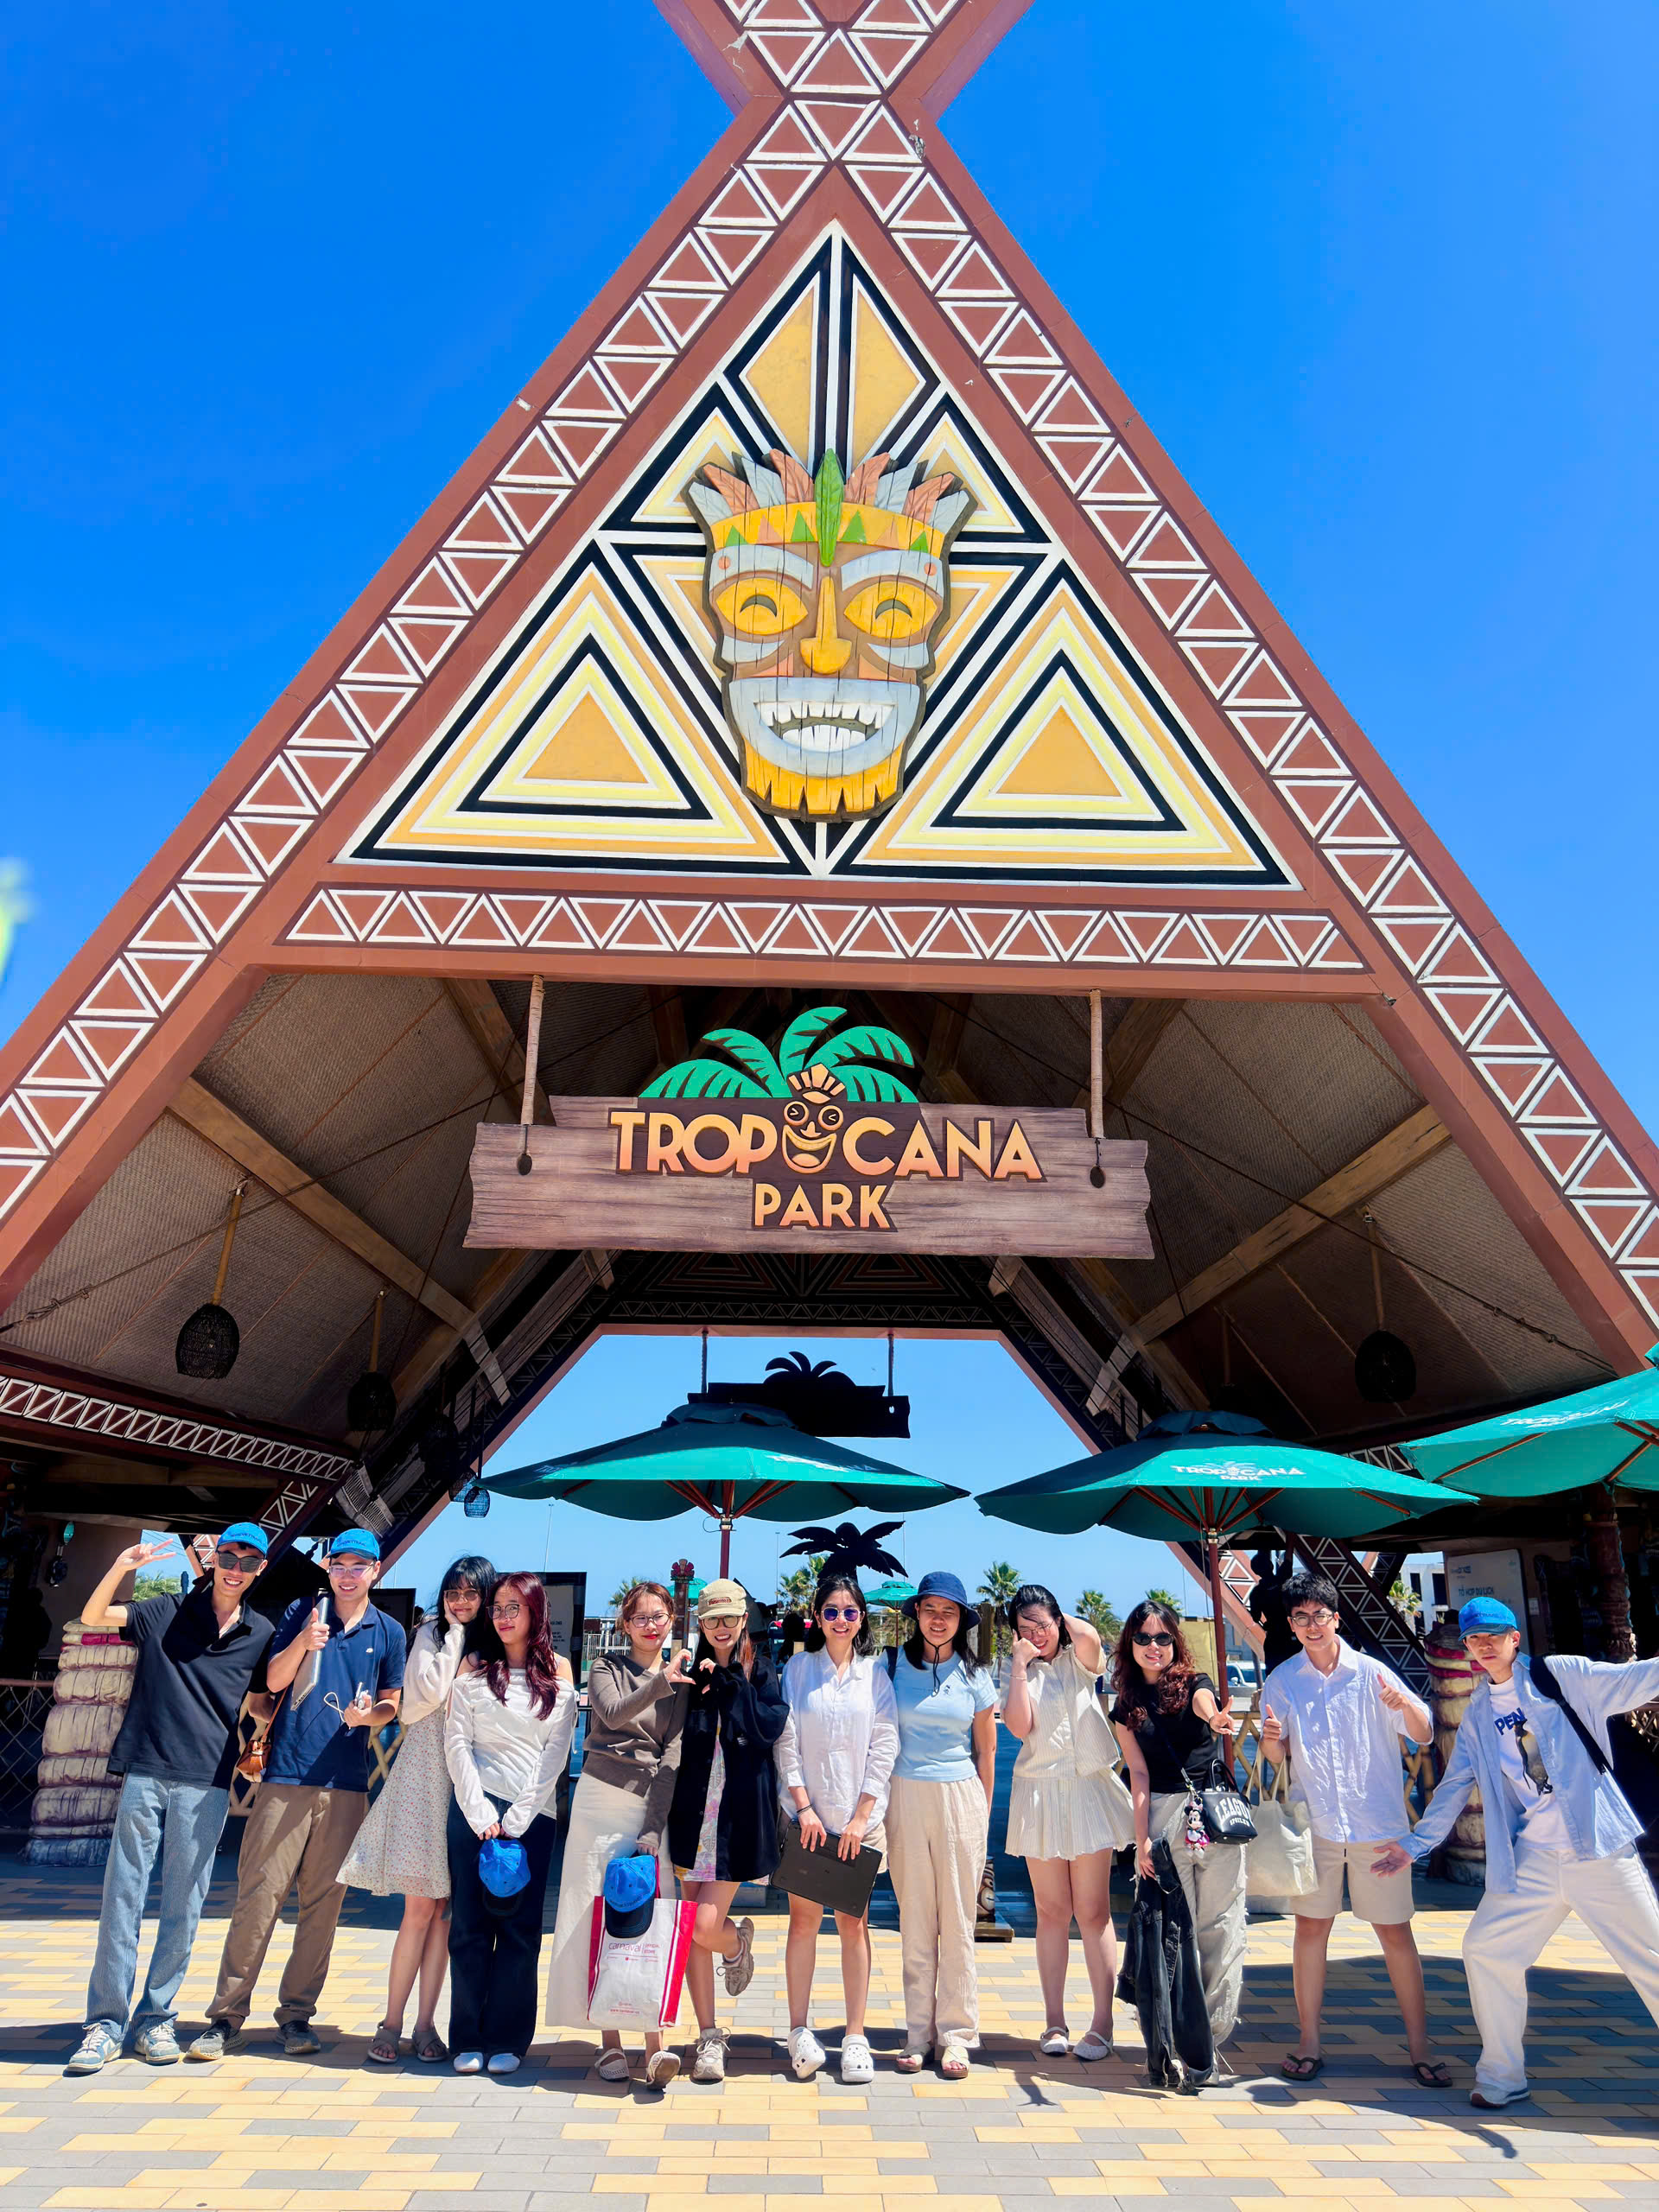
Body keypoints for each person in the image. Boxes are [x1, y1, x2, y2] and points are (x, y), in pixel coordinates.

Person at [1372, 1598, 1659, 2110]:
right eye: (1474, 1639)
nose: (1484, 1646)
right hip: (1534, 1858)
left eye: (1494, 1635)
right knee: (1487, 1950)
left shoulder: (1561, 1676)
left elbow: (1636, 1678)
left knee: (1651, 1962)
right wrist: (1416, 1844)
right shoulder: (1479, 1714)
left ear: (1515, 1638)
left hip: (1598, 1850)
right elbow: (1455, 1784)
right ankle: (1502, 2077)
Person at [188, 1529, 407, 2061]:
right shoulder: (302, 1611)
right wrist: (304, 1642)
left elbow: (392, 1703)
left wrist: (369, 1717)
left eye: (359, 1566)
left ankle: (296, 2015)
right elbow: (272, 1681)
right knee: (257, 1897)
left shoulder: (390, 1630)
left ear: (376, 1572)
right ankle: (226, 2017)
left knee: (323, 1906)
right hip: (285, 1775)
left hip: (347, 1782)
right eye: (339, 1564)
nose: (348, 1575)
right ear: (328, 1568)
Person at [66, 1527, 276, 2074]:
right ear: (212, 1559)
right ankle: (105, 2023)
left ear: (260, 1569)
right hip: (146, 1767)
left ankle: (155, 2018)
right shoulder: (164, 1610)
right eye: (227, 1557)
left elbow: (259, 1702)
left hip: (208, 1779)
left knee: (185, 1904)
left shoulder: (261, 1632)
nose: (235, 1568)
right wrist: (121, 1567)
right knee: (123, 1897)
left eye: (247, 1562)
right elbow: (94, 1615)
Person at [1259, 1569, 1446, 2088]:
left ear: (1336, 1618)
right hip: (1315, 1825)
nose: (1312, 1625)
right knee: (1310, 1929)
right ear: (1291, 1624)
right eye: (1301, 1617)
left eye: (1320, 1615)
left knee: (1395, 1933)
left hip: (1377, 1826)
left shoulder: (1372, 1673)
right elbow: (1277, 1757)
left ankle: (1420, 2048)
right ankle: (1309, 2042)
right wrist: (1271, 1738)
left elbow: (1424, 1733)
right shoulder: (1283, 1679)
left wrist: (1405, 1705)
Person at [339, 1554, 498, 2066]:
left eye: (471, 1593)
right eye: (454, 1592)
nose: (461, 1601)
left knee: (445, 1913)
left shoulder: (498, 1641)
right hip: (427, 1773)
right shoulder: (431, 1633)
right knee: (419, 1909)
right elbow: (419, 1700)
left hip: (475, 1778)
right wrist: (455, 1638)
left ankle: (427, 2024)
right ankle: (391, 2022)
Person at [546, 1580, 688, 2088]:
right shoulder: (606, 1666)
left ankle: (654, 2044)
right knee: (593, 1912)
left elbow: (671, 1756)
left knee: (651, 1914)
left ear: (671, 1620)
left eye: (659, 1616)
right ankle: (608, 2040)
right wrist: (660, 1680)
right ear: (626, 1625)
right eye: (641, 1617)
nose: (651, 1625)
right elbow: (609, 1714)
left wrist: (653, 1827)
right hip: (598, 1799)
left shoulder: (682, 1682)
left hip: (647, 1804)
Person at [445, 1572, 577, 2074]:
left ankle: (509, 2040)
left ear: (535, 1613)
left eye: (513, 1608)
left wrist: (518, 1818)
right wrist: (480, 1813)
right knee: (469, 1928)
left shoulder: (560, 1689)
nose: (502, 1617)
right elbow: (457, 1745)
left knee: (520, 1931)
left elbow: (555, 1757)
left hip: (533, 1817)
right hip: (473, 1814)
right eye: (497, 1608)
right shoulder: (471, 1681)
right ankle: (467, 2038)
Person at [776, 1570, 899, 2083]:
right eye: (831, 1611)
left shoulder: (875, 1674)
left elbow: (885, 1744)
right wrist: (803, 1807)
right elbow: (785, 1739)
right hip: (806, 1819)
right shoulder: (797, 1669)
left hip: (857, 1824)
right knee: (802, 1923)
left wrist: (861, 1817)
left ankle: (855, 2035)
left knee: (854, 1925)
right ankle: (798, 2031)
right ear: (817, 1617)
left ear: (861, 1617)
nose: (841, 1620)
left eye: (850, 1612)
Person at [1110, 1598, 1247, 2059]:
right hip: (1164, 1820)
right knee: (1169, 1930)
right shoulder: (1126, 1706)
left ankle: (1212, 2036)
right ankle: (1175, 2037)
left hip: (1212, 1814)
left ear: (1175, 1641)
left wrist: (1216, 1718)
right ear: (1130, 1644)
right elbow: (1138, 1774)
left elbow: (1205, 1704)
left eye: (1163, 1637)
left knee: (1221, 1926)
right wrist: (1141, 1840)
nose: (1154, 1646)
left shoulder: (1195, 1683)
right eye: (1143, 1638)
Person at [667, 1579, 788, 2084]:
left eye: (729, 1618)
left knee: (702, 1926)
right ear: (701, 1623)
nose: (720, 1627)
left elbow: (767, 1729)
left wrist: (732, 1683)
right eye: (711, 1619)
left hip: (739, 1819)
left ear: (743, 1621)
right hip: (693, 1815)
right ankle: (709, 2036)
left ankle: (736, 1944)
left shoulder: (762, 1671)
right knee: (692, 1929)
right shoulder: (690, 1673)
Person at [1002, 1583, 1122, 2062]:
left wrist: (1055, 1615)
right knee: (1051, 1912)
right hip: (1039, 1793)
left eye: (1043, 1624)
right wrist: (1019, 1663)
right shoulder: (1019, 1671)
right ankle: (1054, 2021)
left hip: (1088, 1788)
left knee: (1093, 1912)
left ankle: (1102, 2023)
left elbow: (1091, 1639)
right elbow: (1018, 1727)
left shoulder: (1080, 1661)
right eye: (1025, 1627)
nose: (1036, 1634)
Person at [886, 1571, 998, 2079]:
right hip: (904, 1795)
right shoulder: (890, 1667)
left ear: (961, 1620)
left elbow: (987, 1750)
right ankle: (917, 2034)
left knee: (957, 1920)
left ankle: (956, 2035)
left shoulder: (976, 1675)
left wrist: (983, 1813)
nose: (938, 1619)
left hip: (961, 1797)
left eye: (949, 1611)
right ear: (916, 1613)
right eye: (930, 1609)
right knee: (914, 1918)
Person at [1249, 1549, 1298, 1672]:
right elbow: (1288, 1559)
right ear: (1271, 1566)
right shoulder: (1283, 1579)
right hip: (1292, 1633)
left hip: (1274, 1637)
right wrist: (1290, 1540)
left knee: (1274, 1672)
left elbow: (1256, 1617)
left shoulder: (1256, 1593)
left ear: (1256, 1572)